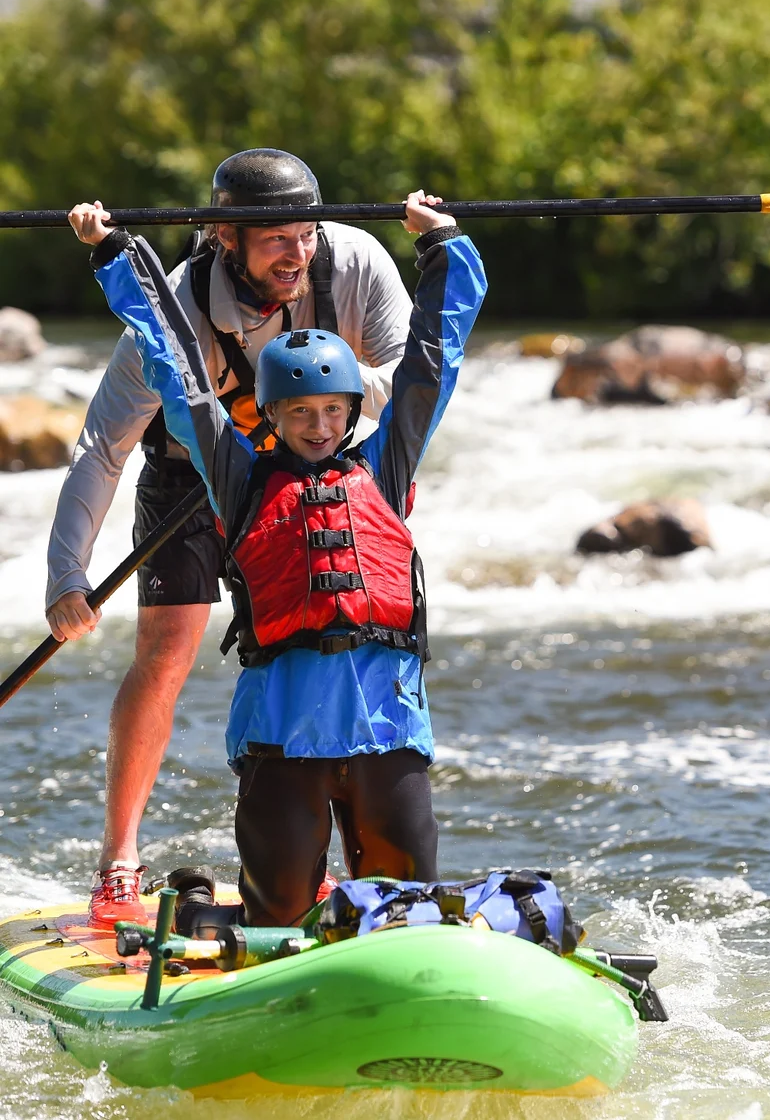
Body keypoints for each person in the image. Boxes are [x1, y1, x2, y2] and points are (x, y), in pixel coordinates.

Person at [68, 190, 486, 926]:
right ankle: (198, 903)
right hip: (281, 742)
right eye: (299, 413)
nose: (319, 426)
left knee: (403, 913)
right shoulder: (239, 479)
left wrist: (443, 244)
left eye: (332, 410)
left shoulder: (386, 467)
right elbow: (176, 372)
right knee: (279, 916)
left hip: (387, 736)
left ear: (355, 408)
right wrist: (113, 254)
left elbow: (433, 358)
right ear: (270, 414)